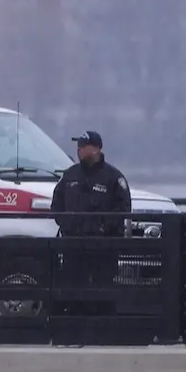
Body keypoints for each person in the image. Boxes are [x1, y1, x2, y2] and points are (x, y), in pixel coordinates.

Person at [50, 130, 130, 313]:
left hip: (103, 247)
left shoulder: (113, 177)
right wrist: (66, 224)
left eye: (84, 146)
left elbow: (123, 208)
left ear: (96, 149)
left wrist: (104, 227)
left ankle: (104, 331)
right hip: (73, 246)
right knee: (73, 290)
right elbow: (57, 203)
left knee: (103, 292)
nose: (79, 150)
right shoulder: (70, 175)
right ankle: (74, 330)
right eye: (78, 146)